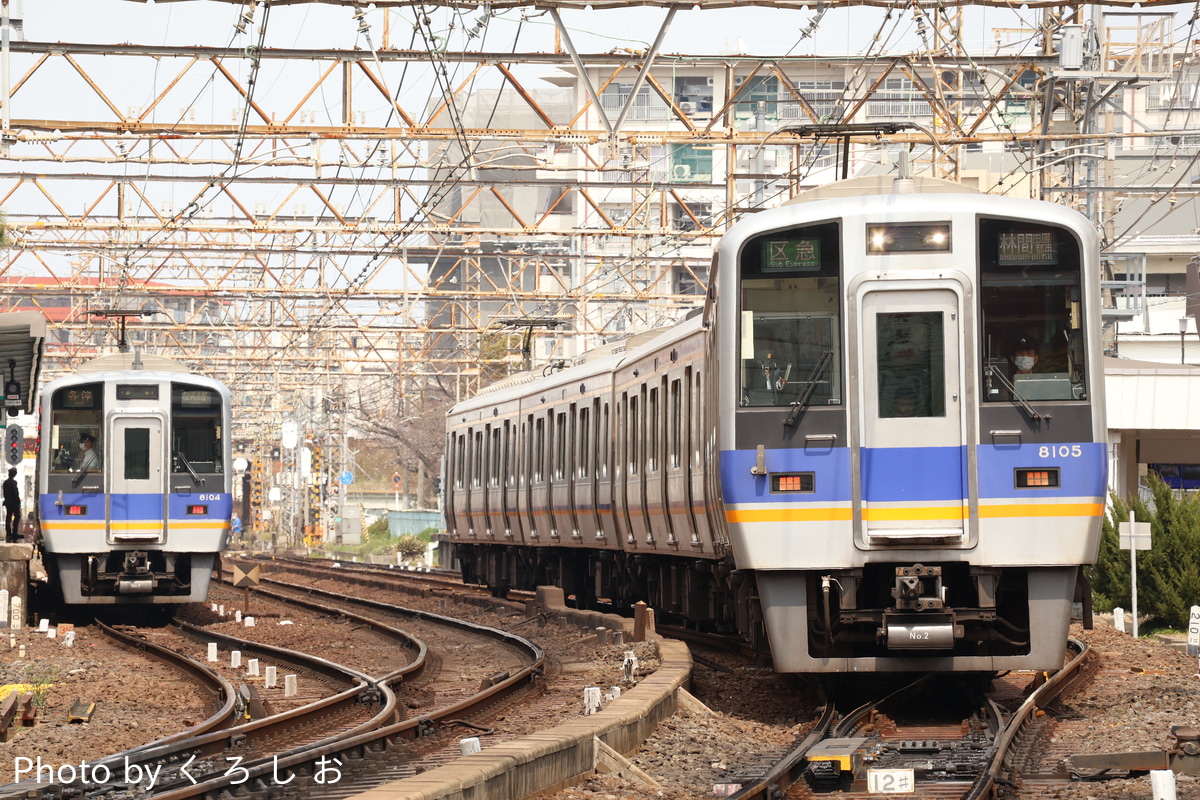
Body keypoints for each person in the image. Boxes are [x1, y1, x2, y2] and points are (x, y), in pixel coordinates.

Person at [2, 468, 19, 543]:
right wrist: (18, 501)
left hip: (8, 502)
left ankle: (9, 532)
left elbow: (5, 493)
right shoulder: (13, 482)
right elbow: (15, 493)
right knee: (17, 516)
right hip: (14, 502)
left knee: (8, 517)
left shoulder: (5, 482)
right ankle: (14, 532)